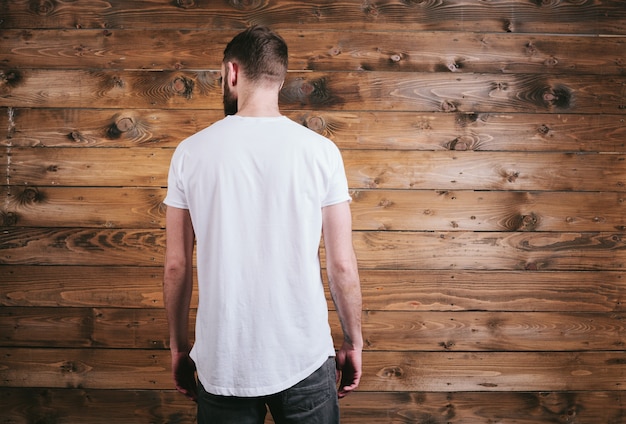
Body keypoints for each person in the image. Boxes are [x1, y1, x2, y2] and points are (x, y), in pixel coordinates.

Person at [162, 26, 363, 423]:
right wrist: (353, 341)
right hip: (304, 355)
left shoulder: (190, 153)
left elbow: (176, 266)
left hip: (223, 361)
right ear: (280, 78)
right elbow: (342, 265)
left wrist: (178, 348)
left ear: (231, 73)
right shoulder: (321, 152)